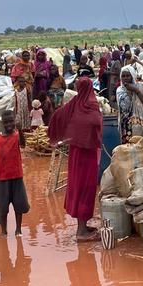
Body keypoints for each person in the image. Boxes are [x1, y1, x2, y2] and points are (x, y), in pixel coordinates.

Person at [48, 78, 103, 241]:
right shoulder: (91, 105)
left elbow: (57, 116)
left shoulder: (74, 104)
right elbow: (96, 121)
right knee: (86, 188)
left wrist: (61, 135)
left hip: (76, 153)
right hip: (87, 154)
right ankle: (81, 232)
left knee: (79, 186)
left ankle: (83, 225)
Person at [0, 110, 30, 237]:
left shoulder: (17, 136)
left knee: (19, 205)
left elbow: (23, 145)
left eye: (11, 122)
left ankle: (18, 230)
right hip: (2, 178)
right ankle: (4, 231)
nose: (9, 124)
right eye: (6, 122)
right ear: (2, 123)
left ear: (14, 122)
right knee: (3, 207)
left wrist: (21, 130)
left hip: (17, 176)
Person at [116, 65, 143, 143]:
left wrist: (136, 90)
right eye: (123, 76)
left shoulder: (142, 87)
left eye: (128, 75)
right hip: (127, 126)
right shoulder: (120, 90)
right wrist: (129, 91)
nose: (125, 78)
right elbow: (126, 108)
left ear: (133, 76)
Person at [13, 76, 32, 144]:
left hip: (26, 108)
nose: (22, 83)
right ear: (18, 82)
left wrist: (31, 108)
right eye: (20, 81)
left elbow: (30, 99)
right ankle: (21, 138)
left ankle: (28, 138)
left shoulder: (27, 89)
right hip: (19, 109)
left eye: (23, 81)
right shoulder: (15, 90)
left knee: (27, 123)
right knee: (19, 123)